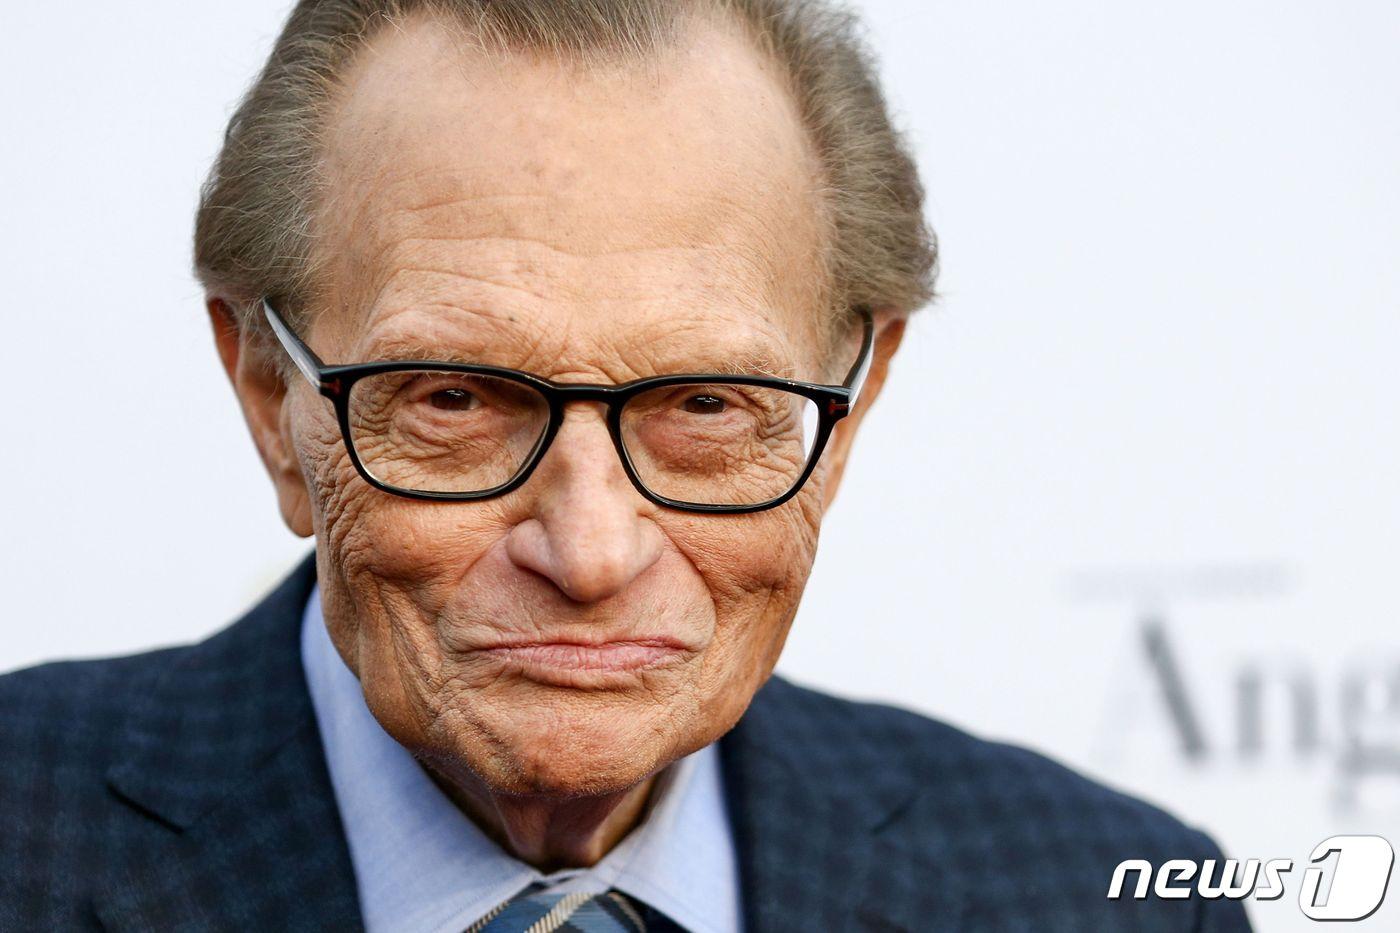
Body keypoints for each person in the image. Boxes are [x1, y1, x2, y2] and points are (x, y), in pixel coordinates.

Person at [0, 1, 1251, 930]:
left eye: (704, 404)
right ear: (271, 399)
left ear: (851, 410)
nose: (591, 553)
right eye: (453, 398)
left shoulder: (1107, 900)